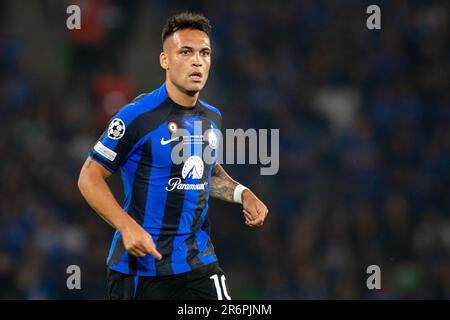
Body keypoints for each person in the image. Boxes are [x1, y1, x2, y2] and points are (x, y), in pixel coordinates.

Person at [77, 12, 268, 300]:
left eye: (205, 53)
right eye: (186, 52)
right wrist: (126, 227)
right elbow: (89, 178)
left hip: (197, 263)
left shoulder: (212, 118)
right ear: (165, 60)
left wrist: (243, 193)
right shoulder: (135, 116)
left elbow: (206, 172)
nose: (197, 61)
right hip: (139, 269)